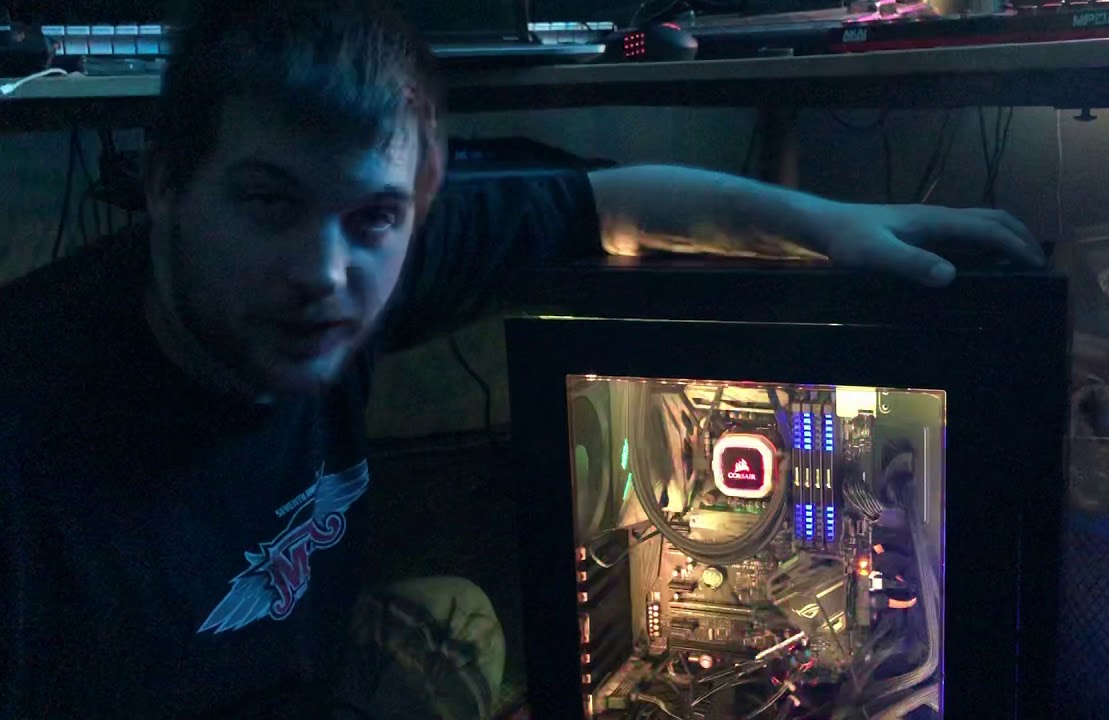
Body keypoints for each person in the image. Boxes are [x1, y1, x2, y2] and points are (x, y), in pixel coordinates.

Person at [0, 0, 1044, 718]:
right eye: (269, 203)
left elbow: (611, 205)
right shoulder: (32, 438)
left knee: (453, 619)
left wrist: (831, 225)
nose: (323, 273)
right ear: (165, 185)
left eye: (372, 217)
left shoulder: (352, 266)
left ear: (415, 207)